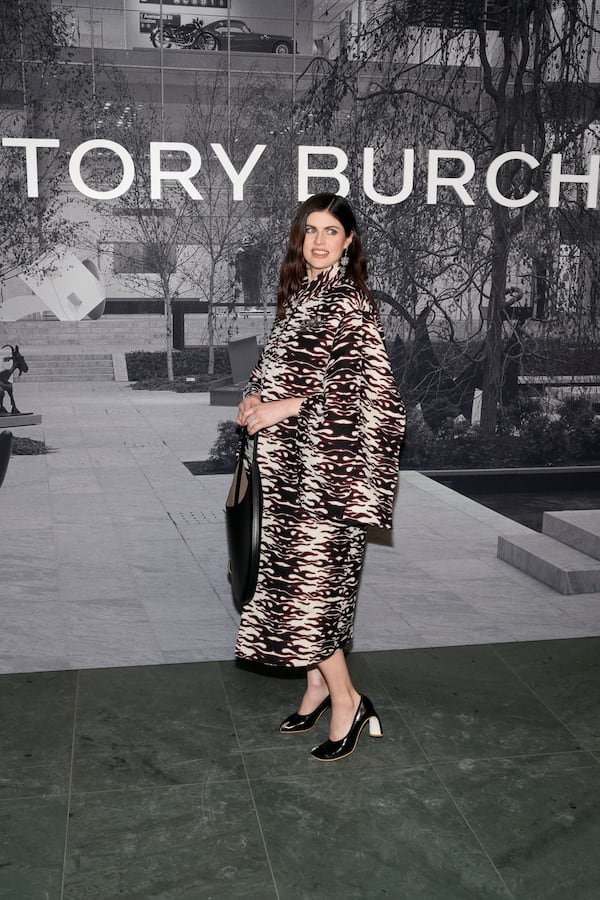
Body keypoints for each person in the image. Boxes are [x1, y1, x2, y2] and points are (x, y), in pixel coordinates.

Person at [235, 193, 406, 762]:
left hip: (327, 477)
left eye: (330, 231)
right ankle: (315, 685)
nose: (317, 240)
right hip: (286, 472)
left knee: (312, 598)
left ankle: (349, 702)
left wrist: (283, 409)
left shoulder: (350, 303)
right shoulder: (302, 295)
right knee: (291, 589)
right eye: (309, 230)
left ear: (349, 241)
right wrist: (255, 395)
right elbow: (274, 368)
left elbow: (362, 392)